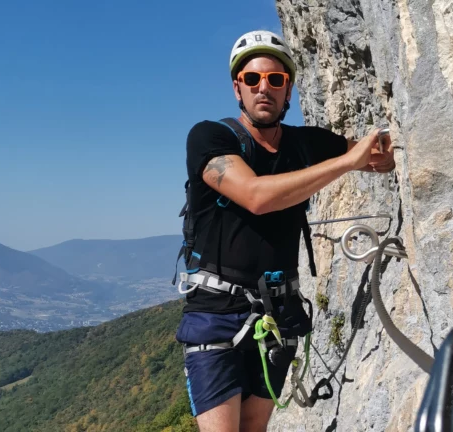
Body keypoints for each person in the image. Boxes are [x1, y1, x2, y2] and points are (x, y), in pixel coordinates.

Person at [172, 30, 395, 432]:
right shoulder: (211, 138)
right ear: (237, 88)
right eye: (253, 79)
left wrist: (385, 150)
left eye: (276, 79)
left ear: (288, 88)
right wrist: (347, 162)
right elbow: (255, 196)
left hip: (279, 314)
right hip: (217, 316)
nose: (264, 88)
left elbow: (375, 154)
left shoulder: (305, 144)